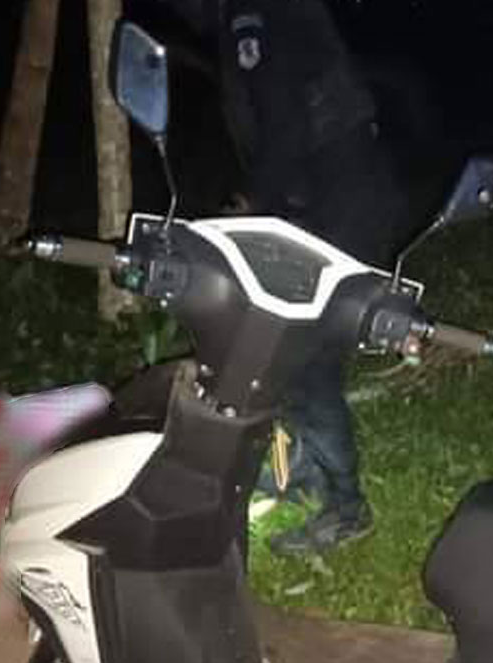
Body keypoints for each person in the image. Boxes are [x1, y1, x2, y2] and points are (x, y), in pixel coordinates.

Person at [158, 0, 409, 555]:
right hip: (332, 199)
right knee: (290, 353)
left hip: (341, 205)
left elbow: (285, 122)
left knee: (308, 358)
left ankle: (347, 508)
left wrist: (255, 208)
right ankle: (310, 477)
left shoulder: (252, 12)